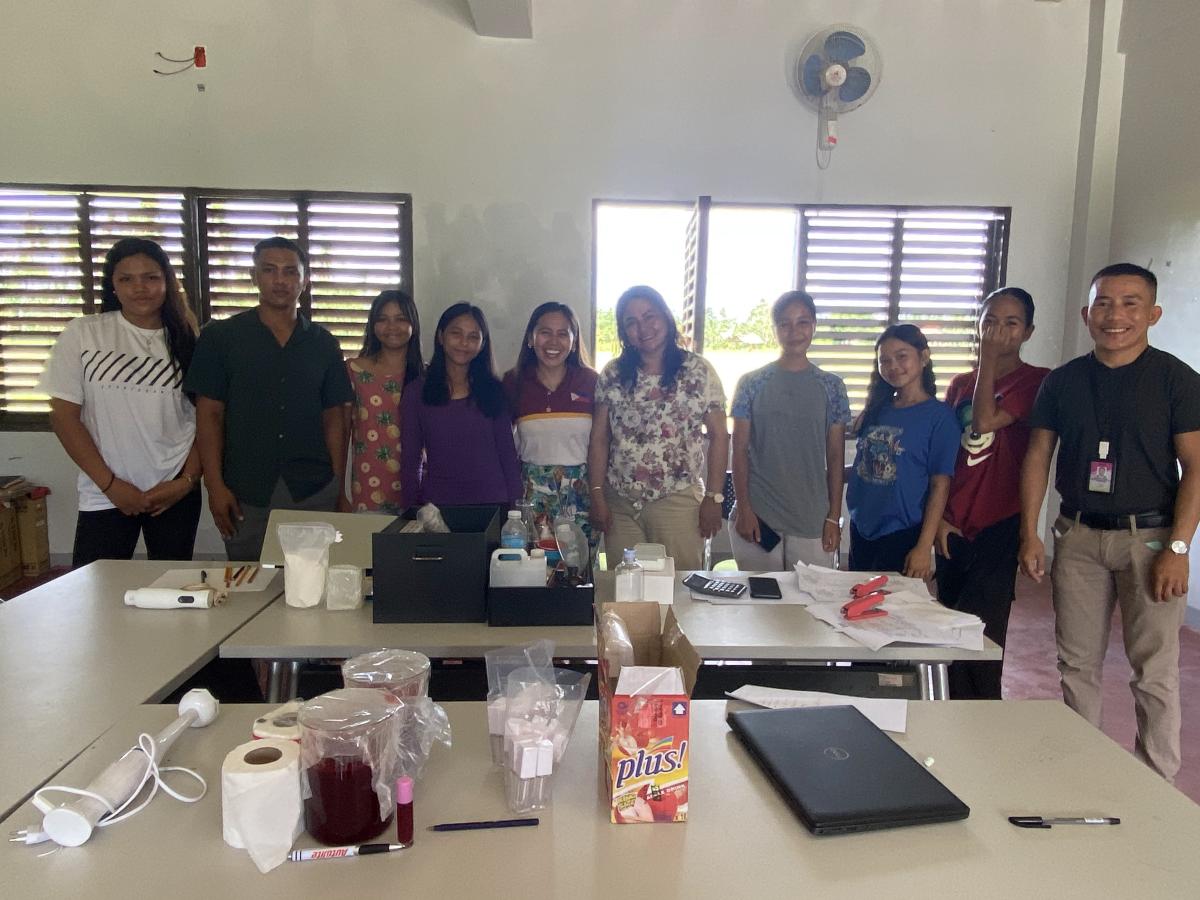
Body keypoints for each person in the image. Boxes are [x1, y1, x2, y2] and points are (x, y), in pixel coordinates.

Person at [1019, 263, 1200, 782]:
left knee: (1154, 670)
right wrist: (1030, 532)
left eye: (1129, 303)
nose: (1114, 315)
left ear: (1153, 314)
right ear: (1086, 313)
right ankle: (1085, 774)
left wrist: (1179, 548)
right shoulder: (1063, 382)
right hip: (1077, 537)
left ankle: (1155, 782)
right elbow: (1038, 456)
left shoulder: (1177, 381)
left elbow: (1196, 467)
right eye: (1103, 303)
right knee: (1076, 665)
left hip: (1150, 539)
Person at [184, 236, 353, 561]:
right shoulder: (221, 338)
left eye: (290, 271)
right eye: (269, 270)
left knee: (312, 577)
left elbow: (335, 417)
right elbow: (209, 415)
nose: (280, 280)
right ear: (254, 276)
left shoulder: (323, 343)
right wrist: (214, 487)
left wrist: (336, 486)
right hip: (244, 489)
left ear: (304, 280)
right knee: (249, 579)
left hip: (312, 487)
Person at [40, 237, 203, 566]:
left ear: (167, 282)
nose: (139, 288)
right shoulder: (84, 334)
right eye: (126, 279)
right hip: (105, 492)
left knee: (171, 586)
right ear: (112, 286)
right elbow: (64, 417)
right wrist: (111, 485)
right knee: (95, 588)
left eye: (151, 277)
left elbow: (206, 419)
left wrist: (186, 482)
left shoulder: (190, 339)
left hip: (173, 491)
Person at [935, 288, 1050, 699]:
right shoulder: (960, 384)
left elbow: (983, 421)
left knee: (982, 631)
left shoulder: (1036, 380)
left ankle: (983, 711)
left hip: (999, 521)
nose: (998, 332)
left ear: (1028, 331)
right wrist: (940, 516)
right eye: (990, 322)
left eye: (1010, 323)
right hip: (954, 521)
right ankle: (950, 709)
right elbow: (946, 452)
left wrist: (987, 358)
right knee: (949, 623)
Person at [589, 285, 727, 571]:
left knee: (679, 585)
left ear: (665, 316)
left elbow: (718, 437)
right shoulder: (613, 374)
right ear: (624, 331)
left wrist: (714, 498)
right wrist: (597, 494)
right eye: (631, 322)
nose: (643, 328)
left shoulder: (698, 371)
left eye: (649, 316)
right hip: (620, 504)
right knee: (625, 585)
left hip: (677, 500)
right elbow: (600, 439)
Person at [728, 291, 850, 569]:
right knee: (760, 595)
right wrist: (744, 509)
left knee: (808, 594)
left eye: (802, 322)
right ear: (774, 330)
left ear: (814, 325)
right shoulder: (751, 383)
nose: (794, 332)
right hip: (759, 515)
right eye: (785, 324)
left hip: (812, 517)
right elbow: (740, 449)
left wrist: (833, 517)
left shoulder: (832, 387)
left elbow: (835, 456)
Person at [847, 323, 958, 576]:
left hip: (902, 532)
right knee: (857, 597)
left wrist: (923, 546)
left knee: (892, 601)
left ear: (924, 357)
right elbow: (866, 466)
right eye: (884, 360)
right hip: (862, 526)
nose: (893, 366)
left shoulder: (940, 418)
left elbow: (940, 485)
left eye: (901, 356)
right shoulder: (877, 410)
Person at [400, 303, 522, 507]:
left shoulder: (495, 391)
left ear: (482, 344)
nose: (464, 343)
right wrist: (411, 509)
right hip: (438, 506)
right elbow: (411, 460)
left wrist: (516, 508)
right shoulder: (416, 392)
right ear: (441, 336)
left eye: (473, 337)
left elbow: (508, 455)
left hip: (493, 503)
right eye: (456, 333)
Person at [503, 302, 598, 541]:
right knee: (534, 561)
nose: (553, 342)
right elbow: (502, 445)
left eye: (563, 334)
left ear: (574, 342)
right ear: (531, 338)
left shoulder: (592, 381)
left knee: (578, 562)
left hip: (581, 495)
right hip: (531, 495)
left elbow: (603, 443)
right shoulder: (513, 382)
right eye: (545, 332)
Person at [346, 290, 424, 512]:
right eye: (383, 319)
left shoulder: (426, 377)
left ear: (413, 324)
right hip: (367, 485)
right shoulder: (354, 370)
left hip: (417, 486)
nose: (392, 327)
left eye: (400, 319)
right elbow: (341, 432)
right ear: (373, 325)